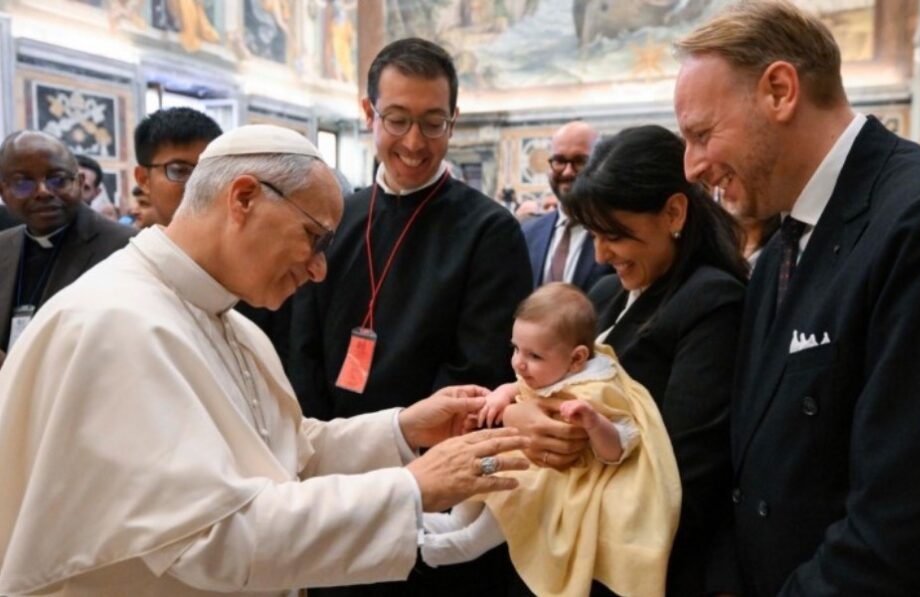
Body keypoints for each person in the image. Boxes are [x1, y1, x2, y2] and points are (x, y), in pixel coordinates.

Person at [0, 124, 531, 596]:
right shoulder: (116, 324)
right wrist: (415, 486)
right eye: (314, 237)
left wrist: (402, 429)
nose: (320, 268)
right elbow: (209, 539)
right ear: (245, 198)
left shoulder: (226, 320)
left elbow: (281, 454)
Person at [673, 2, 920, 595]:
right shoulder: (781, 251)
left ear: (780, 91)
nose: (693, 165)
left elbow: (913, 526)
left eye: (702, 134)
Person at [288, 37, 533, 596]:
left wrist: (404, 472)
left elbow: (476, 371)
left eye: (434, 123)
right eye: (397, 120)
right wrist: (318, 458)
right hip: (331, 485)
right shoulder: (334, 219)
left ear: (454, 119)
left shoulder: (489, 232)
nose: (415, 143)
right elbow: (301, 347)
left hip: (428, 495)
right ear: (368, 112)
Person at [552, 124, 747, 595]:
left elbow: (683, 473)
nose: (600, 254)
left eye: (614, 234)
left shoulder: (712, 302)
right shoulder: (606, 294)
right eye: (593, 234)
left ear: (674, 212)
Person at [420, 282, 681, 597]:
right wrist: (502, 395)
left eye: (533, 355)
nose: (519, 363)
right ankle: (429, 527)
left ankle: (438, 548)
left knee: (491, 524)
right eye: (515, 348)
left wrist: (594, 423)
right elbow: (518, 386)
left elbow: (622, 444)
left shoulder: (599, 389)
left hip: (547, 483)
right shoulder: (548, 370)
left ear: (576, 359)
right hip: (516, 459)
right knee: (470, 491)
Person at [0, 131, 135, 369]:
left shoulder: (127, 246)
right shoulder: (3, 245)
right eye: (23, 183)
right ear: (4, 192)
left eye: (57, 180)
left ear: (80, 183)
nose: (42, 191)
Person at [522, 121, 613, 291]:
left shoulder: (616, 230)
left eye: (580, 161)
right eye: (559, 161)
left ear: (601, 164)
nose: (568, 171)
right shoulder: (528, 234)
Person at [133, 106, 222, 227]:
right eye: (180, 171)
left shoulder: (244, 243)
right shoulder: (129, 245)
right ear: (144, 179)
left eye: (209, 171)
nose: (198, 183)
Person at [75, 154, 118, 220]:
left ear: (96, 193)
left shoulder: (102, 229)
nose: (75, 192)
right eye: (72, 183)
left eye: (85, 188)